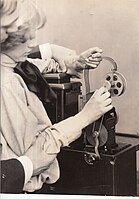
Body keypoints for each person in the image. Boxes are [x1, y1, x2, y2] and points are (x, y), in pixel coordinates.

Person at [0, 0, 113, 193]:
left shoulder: (12, 63)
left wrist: (76, 62)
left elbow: (36, 64)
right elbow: (33, 156)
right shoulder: (7, 84)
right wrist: (84, 118)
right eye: (25, 38)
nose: (34, 42)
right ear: (5, 40)